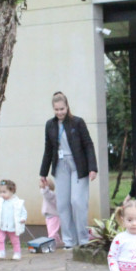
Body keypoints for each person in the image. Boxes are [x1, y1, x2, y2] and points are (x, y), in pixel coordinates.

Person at [39, 91, 98, 248]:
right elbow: (48, 149)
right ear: (53, 109)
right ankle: (69, 241)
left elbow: (88, 145)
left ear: (67, 107)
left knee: (77, 201)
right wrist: (43, 173)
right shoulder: (50, 125)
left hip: (78, 166)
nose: (59, 112)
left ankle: (83, 239)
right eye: (56, 109)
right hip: (60, 165)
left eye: (62, 109)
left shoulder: (77, 122)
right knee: (63, 204)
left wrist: (93, 167)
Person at [0, 179, 27, 261]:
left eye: (4, 192)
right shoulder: (0, 202)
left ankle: (17, 252)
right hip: (2, 224)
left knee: (14, 239)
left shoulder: (17, 202)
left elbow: (23, 212)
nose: (2, 194)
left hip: (12, 225)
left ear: (12, 190)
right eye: (1, 192)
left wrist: (22, 219)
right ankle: (1, 252)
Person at [41, 176, 62, 246]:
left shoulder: (51, 194)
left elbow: (46, 193)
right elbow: (44, 193)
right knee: (53, 231)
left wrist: (45, 187)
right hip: (49, 216)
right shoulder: (50, 194)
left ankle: (51, 244)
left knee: (52, 232)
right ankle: (58, 241)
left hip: (53, 216)